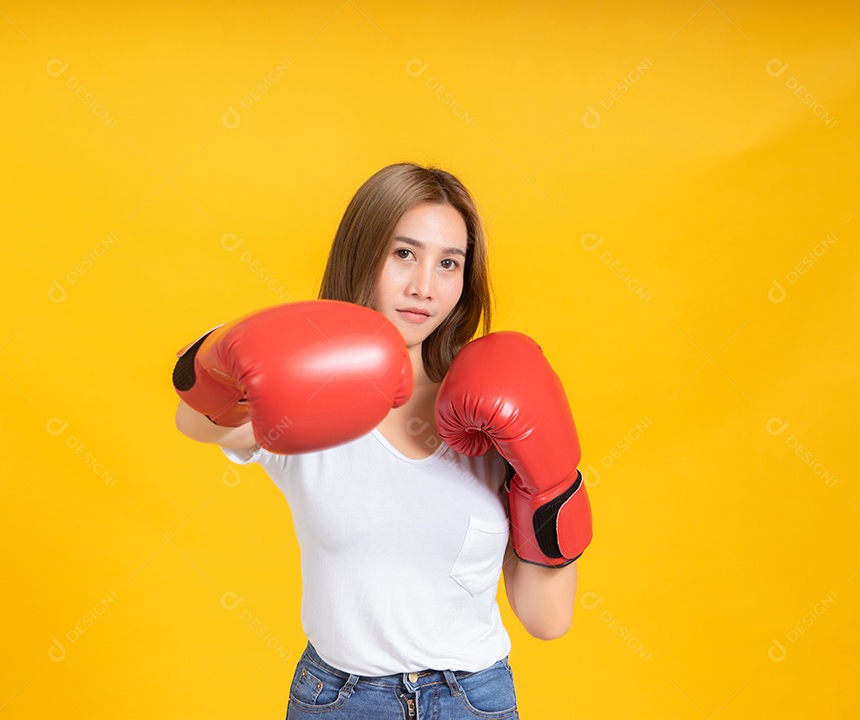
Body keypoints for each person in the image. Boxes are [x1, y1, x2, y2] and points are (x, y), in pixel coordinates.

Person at [174, 163, 592, 719]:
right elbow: (195, 419)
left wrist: (553, 483)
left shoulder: (490, 415)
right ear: (363, 254)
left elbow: (547, 620)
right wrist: (229, 354)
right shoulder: (309, 396)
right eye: (404, 254)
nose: (424, 286)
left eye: (449, 263)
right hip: (338, 701)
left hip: (474, 699)